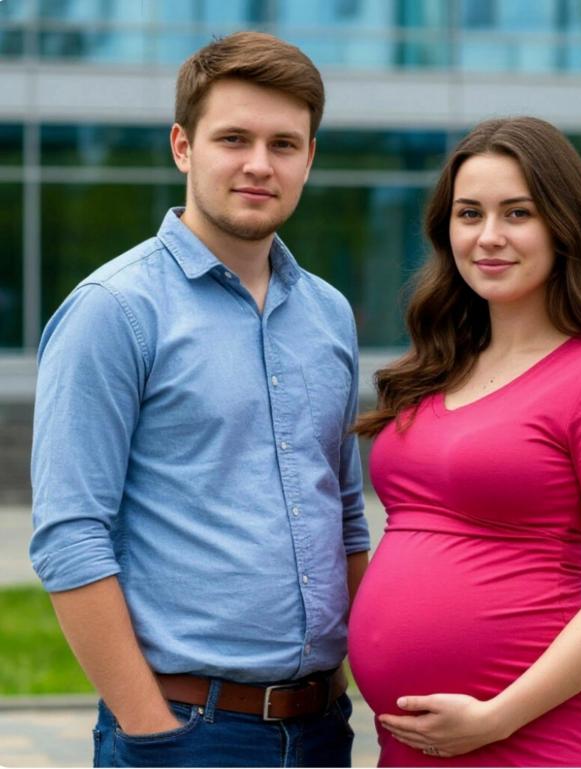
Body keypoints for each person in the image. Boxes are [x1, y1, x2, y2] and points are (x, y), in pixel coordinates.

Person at [29, 31, 369, 768]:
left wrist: (343, 681)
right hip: (188, 732)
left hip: (321, 727)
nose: (259, 164)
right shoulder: (114, 311)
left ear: (309, 158)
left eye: (284, 144)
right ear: (183, 147)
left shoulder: (330, 315)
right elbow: (69, 536)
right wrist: (151, 731)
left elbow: (344, 512)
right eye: (234, 138)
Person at [348, 116, 581, 767]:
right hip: (413, 744)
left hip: (533, 738)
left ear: (563, 224)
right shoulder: (437, 365)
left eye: (517, 213)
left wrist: (497, 717)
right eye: (469, 213)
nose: (489, 236)